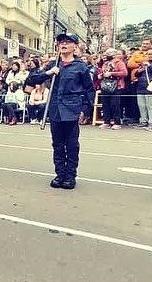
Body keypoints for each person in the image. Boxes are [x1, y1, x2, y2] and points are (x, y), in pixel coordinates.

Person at [26, 33, 94, 190]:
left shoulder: (80, 67)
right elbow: (32, 80)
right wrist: (49, 73)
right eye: (61, 42)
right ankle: (60, 174)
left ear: (74, 46)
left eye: (67, 42)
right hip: (55, 108)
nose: (63, 44)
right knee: (57, 144)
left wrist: (85, 109)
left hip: (72, 109)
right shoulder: (52, 64)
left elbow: (89, 89)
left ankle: (70, 176)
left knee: (71, 144)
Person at [99, 48, 127, 129]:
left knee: (115, 105)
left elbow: (125, 73)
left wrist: (112, 73)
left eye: (108, 54)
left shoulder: (119, 63)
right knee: (105, 104)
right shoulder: (105, 63)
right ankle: (106, 122)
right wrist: (101, 75)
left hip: (116, 86)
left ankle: (117, 122)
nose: (106, 56)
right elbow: (103, 72)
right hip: (105, 85)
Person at [134, 48, 152, 128]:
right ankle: (143, 121)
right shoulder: (144, 63)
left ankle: (151, 123)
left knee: (150, 106)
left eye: (151, 54)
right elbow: (136, 75)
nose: (149, 56)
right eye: (148, 54)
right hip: (141, 87)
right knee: (141, 105)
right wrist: (139, 71)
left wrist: (150, 66)